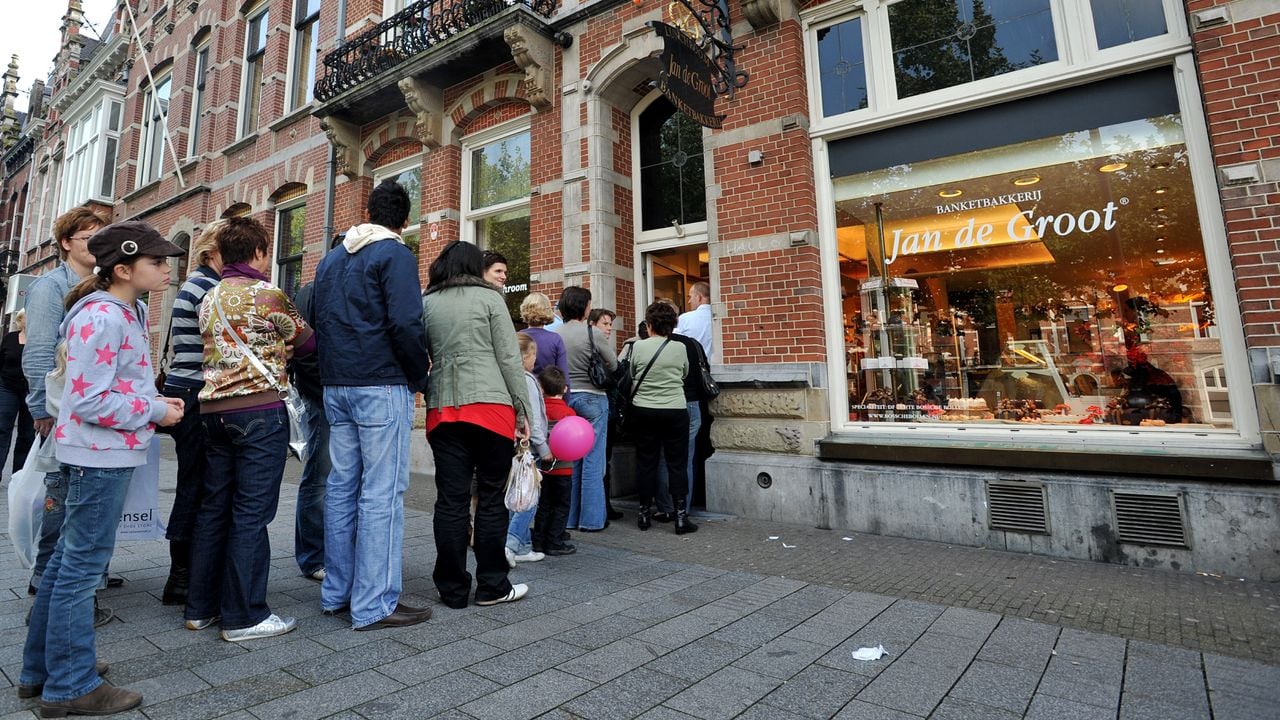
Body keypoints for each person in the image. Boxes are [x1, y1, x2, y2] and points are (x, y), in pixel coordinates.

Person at [21, 221, 185, 716]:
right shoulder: (106, 316)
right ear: (122, 269)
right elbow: (90, 399)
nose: (165, 268)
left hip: (94, 452)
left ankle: (40, 671)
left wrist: (152, 399)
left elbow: (105, 385)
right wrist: (156, 411)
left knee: (65, 566)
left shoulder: (111, 310)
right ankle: (70, 685)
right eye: (156, 262)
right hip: (100, 455)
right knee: (79, 570)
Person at [184, 216, 315, 642]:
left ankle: (200, 607)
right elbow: (307, 341)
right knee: (251, 513)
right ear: (260, 252)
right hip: (258, 412)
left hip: (213, 414)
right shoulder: (267, 293)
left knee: (214, 507)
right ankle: (244, 616)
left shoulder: (210, 296)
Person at [313, 180, 432, 630]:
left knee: (343, 488)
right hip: (380, 384)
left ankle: (337, 593)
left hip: (337, 384)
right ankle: (374, 603)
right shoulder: (395, 254)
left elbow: (318, 320)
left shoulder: (332, 258)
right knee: (382, 493)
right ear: (404, 219)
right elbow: (405, 321)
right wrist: (419, 375)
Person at [22, 207, 120, 620]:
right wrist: (41, 408)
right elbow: (40, 350)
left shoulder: (100, 285)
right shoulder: (50, 287)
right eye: (88, 238)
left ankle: (82, 576)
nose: (96, 246)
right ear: (66, 243)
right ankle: (48, 581)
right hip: (63, 410)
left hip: (93, 409)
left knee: (80, 497)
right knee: (62, 498)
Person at [422, 240, 530, 608]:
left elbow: (417, 354)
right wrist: (523, 411)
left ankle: (452, 590)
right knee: (491, 499)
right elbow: (509, 359)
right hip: (491, 408)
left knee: (450, 501)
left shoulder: (427, 303)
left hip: (443, 409)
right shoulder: (490, 299)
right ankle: (492, 586)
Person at [157, 221, 225, 606]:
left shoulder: (192, 284)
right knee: (196, 483)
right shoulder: (207, 288)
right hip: (197, 392)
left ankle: (184, 573)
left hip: (185, 387)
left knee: (194, 480)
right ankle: (181, 577)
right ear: (212, 253)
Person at [289, 233, 345, 585]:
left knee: (330, 475)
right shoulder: (315, 291)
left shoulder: (329, 289)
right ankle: (312, 556)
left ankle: (325, 551)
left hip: (332, 394)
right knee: (320, 476)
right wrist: (324, 390)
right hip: (323, 397)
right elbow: (303, 350)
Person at [629, 301, 696, 533]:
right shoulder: (680, 348)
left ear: (649, 325)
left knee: (646, 462)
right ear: (672, 324)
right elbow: (685, 373)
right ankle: (680, 517)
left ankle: (644, 514)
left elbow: (632, 373)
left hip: (643, 410)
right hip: (674, 410)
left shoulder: (638, 347)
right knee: (677, 464)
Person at [555, 286, 615, 532]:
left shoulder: (556, 334)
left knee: (571, 460)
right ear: (585, 307)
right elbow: (613, 363)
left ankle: (569, 518)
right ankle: (591, 520)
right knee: (593, 460)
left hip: (567, 399)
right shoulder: (593, 334)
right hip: (593, 398)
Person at [653, 329, 711, 529]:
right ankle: (682, 509)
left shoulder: (654, 344)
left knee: (662, 455)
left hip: (665, 403)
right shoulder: (693, 343)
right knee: (686, 456)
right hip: (692, 402)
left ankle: (665, 507)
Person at [505, 333, 548, 566]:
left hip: (514, 444)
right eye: (533, 356)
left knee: (516, 495)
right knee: (530, 498)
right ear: (524, 356)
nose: (535, 361)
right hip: (528, 447)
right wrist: (544, 447)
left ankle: (523, 546)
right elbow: (534, 419)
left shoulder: (508, 378)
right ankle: (511, 544)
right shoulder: (528, 380)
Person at [533, 366, 576, 556]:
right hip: (564, 468)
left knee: (544, 504)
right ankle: (555, 541)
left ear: (541, 388)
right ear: (565, 388)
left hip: (543, 468)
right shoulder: (569, 413)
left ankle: (539, 540)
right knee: (561, 506)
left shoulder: (540, 411)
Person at [590, 308, 624, 522]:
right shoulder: (595, 347)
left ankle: (603, 504)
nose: (609, 328)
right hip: (602, 407)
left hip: (607, 408)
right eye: (605, 324)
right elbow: (616, 370)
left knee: (604, 458)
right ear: (593, 324)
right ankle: (602, 506)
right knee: (601, 458)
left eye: (610, 324)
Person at [0, 310, 35, 476]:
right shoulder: (10, 338)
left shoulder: (41, 341)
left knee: (27, 434)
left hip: (31, 390)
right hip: (7, 387)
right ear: (21, 320)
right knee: (2, 430)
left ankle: (18, 476)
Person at [520, 293, 569, 381]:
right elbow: (563, 375)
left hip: (525, 389)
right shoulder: (555, 339)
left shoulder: (518, 338)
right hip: (549, 390)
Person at [675, 281, 712, 359]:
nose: (689, 301)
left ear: (699, 297)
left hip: (695, 368)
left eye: (690, 297)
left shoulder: (684, 318)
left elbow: (676, 345)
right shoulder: (720, 318)